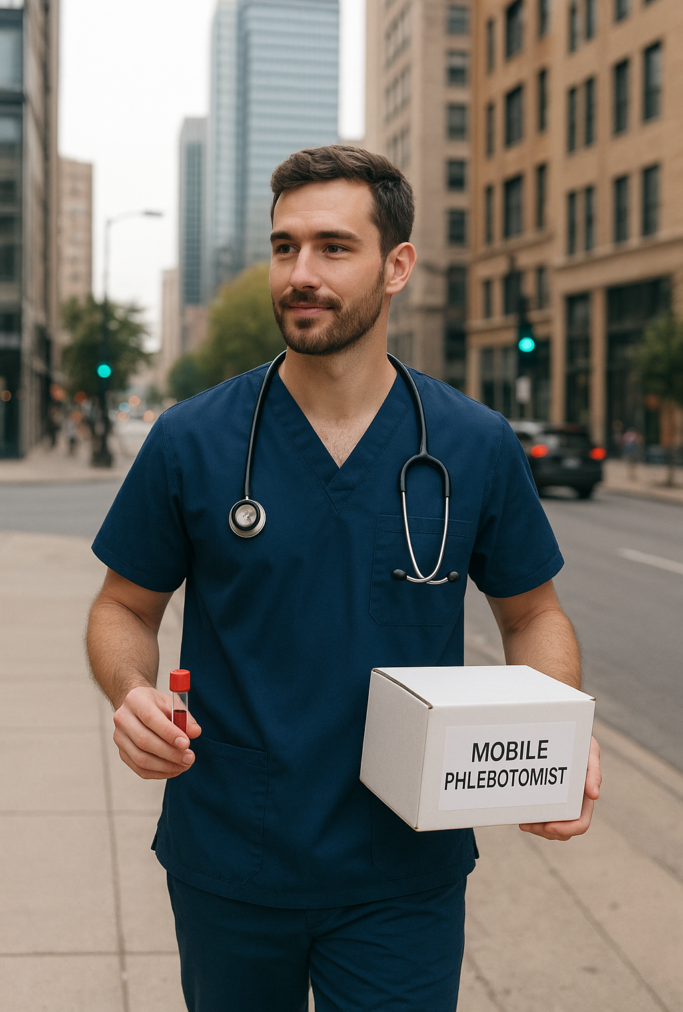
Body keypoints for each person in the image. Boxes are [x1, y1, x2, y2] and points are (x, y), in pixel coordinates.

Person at [87, 146, 601, 1012]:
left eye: (332, 247)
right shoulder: (191, 439)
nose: (300, 273)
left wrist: (550, 737)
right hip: (232, 856)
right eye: (285, 247)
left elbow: (533, 614)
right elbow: (122, 607)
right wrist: (132, 693)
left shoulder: (471, 443)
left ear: (396, 265)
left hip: (403, 865)